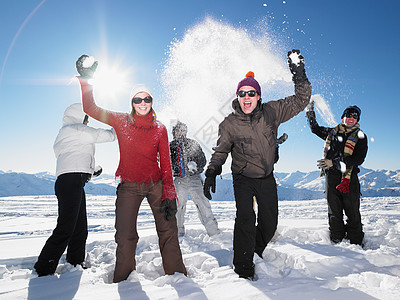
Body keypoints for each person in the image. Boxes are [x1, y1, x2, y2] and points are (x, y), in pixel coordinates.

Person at [75, 55, 187, 283]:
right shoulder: (120, 121)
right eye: (138, 99)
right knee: (125, 235)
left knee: (168, 230)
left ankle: (177, 276)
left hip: (156, 184)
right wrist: (87, 80)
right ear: (132, 103)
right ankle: (124, 280)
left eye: (147, 99)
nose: (143, 103)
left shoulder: (160, 129)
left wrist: (170, 194)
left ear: (152, 101)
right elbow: (91, 108)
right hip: (129, 185)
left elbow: (166, 165)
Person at [203, 49, 312, 280]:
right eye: (242, 93)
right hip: (242, 178)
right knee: (245, 218)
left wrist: (299, 74)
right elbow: (221, 150)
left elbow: (301, 100)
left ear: (258, 96)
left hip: (266, 177)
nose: (247, 97)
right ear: (237, 96)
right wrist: (212, 170)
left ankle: (253, 250)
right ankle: (243, 269)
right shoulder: (229, 124)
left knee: (270, 223)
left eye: (251, 93)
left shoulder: (272, 112)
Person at [34, 103, 116, 276]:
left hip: (72, 181)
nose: (87, 122)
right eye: (86, 117)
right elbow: (103, 135)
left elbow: (75, 156)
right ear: (78, 116)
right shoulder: (75, 129)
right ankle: (43, 267)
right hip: (71, 182)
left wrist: (92, 171)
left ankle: (75, 261)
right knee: (66, 227)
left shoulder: (68, 134)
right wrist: (119, 128)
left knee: (79, 227)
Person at [306, 102, 367, 246]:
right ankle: (336, 239)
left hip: (349, 178)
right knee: (334, 210)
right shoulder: (333, 133)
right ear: (342, 117)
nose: (351, 118)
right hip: (332, 177)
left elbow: (358, 159)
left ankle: (355, 242)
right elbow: (315, 128)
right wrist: (310, 111)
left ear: (357, 119)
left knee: (352, 210)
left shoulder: (360, 136)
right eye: (348, 115)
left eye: (354, 116)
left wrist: (335, 162)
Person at [169, 121, 220, 237]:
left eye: (183, 130)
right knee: (178, 206)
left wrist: (195, 167)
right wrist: (174, 169)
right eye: (178, 130)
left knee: (203, 203)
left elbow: (202, 160)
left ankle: (214, 233)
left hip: (194, 179)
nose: (181, 133)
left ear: (186, 132)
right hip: (179, 180)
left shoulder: (193, 144)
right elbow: (166, 163)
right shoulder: (170, 146)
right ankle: (177, 233)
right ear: (174, 132)